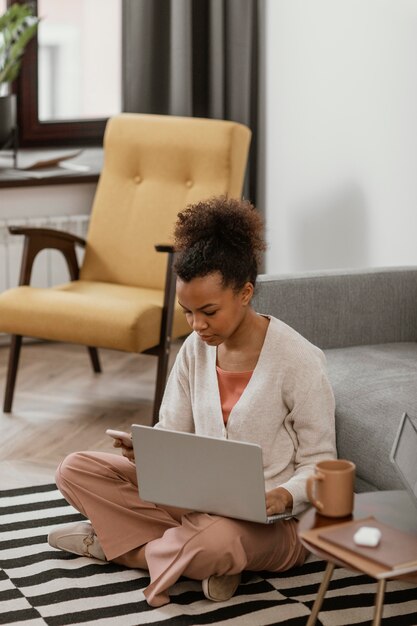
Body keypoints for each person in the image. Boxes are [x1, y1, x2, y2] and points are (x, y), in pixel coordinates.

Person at [48, 196, 336, 607]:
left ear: (246, 293)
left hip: (274, 524)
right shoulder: (194, 350)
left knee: (217, 541)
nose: (197, 325)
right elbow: (174, 429)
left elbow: (322, 464)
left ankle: (123, 548)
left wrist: (284, 496)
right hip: (194, 503)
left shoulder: (300, 361)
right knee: (74, 469)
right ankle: (190, 557)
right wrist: (148, 449)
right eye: (187, 312)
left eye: (209, 311)